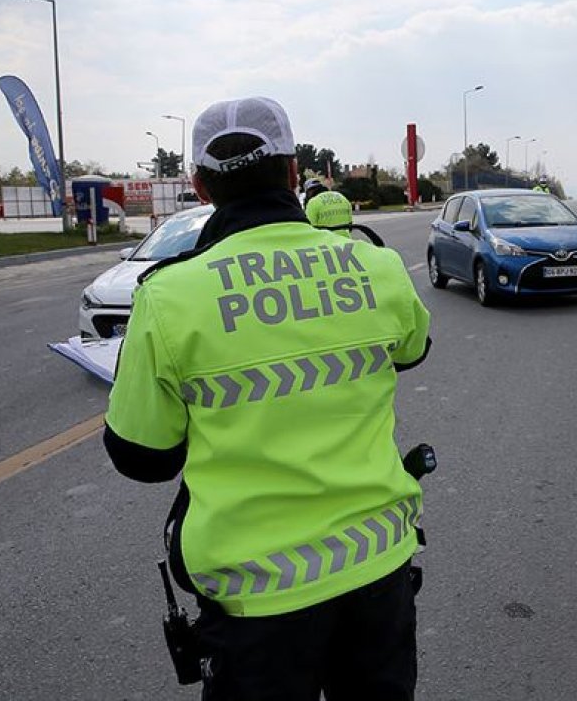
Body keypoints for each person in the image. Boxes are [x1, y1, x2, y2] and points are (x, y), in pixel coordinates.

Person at [103, 95, 432, 700]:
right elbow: (413, 350)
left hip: (256, 598)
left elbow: (141, 456)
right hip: (380, 565)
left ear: (201, 187)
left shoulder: (170, 296)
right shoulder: (376, 266)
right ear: (291, 171)